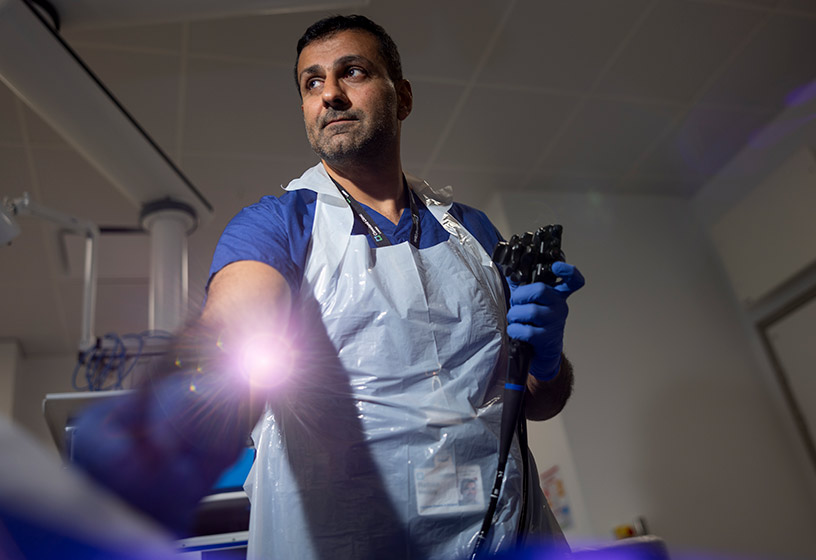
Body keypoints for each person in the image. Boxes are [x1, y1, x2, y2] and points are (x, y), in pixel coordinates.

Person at [73, 14, 585, 560]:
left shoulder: (474, 232)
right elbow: (236, 325)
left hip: (505, 529)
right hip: (347, 539)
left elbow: (536, 402)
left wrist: (548, 364)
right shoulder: (277, 224)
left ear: (402, 96)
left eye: (353, 72)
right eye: (312, 82)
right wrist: (166, 425)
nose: (331, 94)